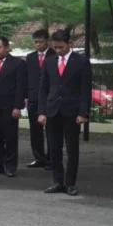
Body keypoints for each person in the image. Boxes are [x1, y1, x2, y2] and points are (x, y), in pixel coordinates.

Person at [38, 29, 91, 196]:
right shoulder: (49, 61)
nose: (58, 50)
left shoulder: (81, 62)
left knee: (72, 149)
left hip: (72, 111)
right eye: (55, 47)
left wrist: (83, 112)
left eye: (61, 47)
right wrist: (42, 111)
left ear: (69, 44)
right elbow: (43, 89)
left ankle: (70, 183)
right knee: (54, 148)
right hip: (53, 110)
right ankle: (57, 181)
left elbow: (85, 90)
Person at [0, 36, 27, 177]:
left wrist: (17, 107)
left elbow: (20, 87)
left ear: (7, 47)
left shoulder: (18, 64)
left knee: (10, 138)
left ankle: (10, 166)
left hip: (9, 106)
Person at [23, 29, 54, 168]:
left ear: (47, 41)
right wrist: (26, 96)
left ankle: (51, 159)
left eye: (41, 42)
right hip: (33, 97)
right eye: (36, 42)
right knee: (35, 130)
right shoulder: (30, 57)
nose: (38, 44)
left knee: (51, 130)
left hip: (50, 97)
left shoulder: (54, 55)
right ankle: (39, 158)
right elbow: (27, 77)